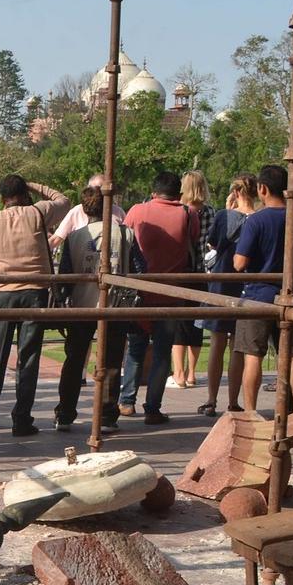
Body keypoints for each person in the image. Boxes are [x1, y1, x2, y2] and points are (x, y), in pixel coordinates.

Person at [0, 175, 69, 435]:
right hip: (34, 291)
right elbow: (64, 200)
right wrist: (36, 184)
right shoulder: (38, 212)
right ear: (25, 193)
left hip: (2, 292)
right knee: (28, 358)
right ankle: (22, 418)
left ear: (3, 197)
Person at [233, 165, 293, 412]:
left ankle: (251, 412)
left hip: (258, 295)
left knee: (253, 355)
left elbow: (239, 264)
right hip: (292, 294)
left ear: (262, 188)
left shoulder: (256, 221)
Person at [55, 186, 143, 432]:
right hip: (116, 306)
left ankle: (65, 413)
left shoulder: (75, 236)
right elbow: (138, 269)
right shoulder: (126, 234)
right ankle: (106, 414)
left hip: (83, 306)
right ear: (109, 207)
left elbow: (65, 277)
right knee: (112, 361)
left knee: (74, 360)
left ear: (83, 209)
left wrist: (63, 300)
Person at [122, 170, 200, 426]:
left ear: (153, 192)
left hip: (140, 293)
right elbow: (194, 243)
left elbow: (126, 242)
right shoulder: (189, 214)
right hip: (172, 293)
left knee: (135, 348)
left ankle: (126, 401)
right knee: (162, 353)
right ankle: (152, 407)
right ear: (179, 194)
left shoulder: (136, 211)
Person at [199, 174, 259, 415]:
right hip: (247, 283)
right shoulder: (259, 218)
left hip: (222, 281)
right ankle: (233, 401)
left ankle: (211, 398)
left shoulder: (224, 216)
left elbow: (213, 243)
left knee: (217, 343)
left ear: (234, 192)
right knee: (238, 346)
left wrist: (226, 210)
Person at [171, 171, 212, 390]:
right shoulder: (211, 212)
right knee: (197, 325)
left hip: (182, 271)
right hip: (203, 274)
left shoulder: (180, 212)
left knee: (179, 323)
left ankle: (178, 373)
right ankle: (192, 373)